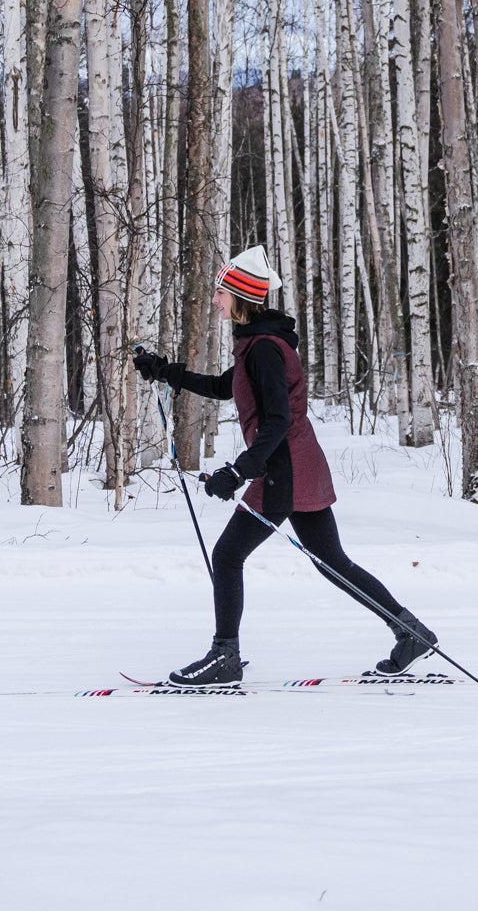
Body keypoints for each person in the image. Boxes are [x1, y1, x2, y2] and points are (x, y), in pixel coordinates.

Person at [133, 246, 437, 688]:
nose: (215, 299)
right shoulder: (257, 344)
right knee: (332, 562)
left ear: (239, 296)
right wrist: (166, 373)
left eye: (220, 292)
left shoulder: (263, 349)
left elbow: (278, 418)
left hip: (284, 467)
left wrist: (239, 471)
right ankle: (410, 633)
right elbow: (227, 387)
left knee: (228, 554)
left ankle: (225, 656)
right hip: (296, 462)